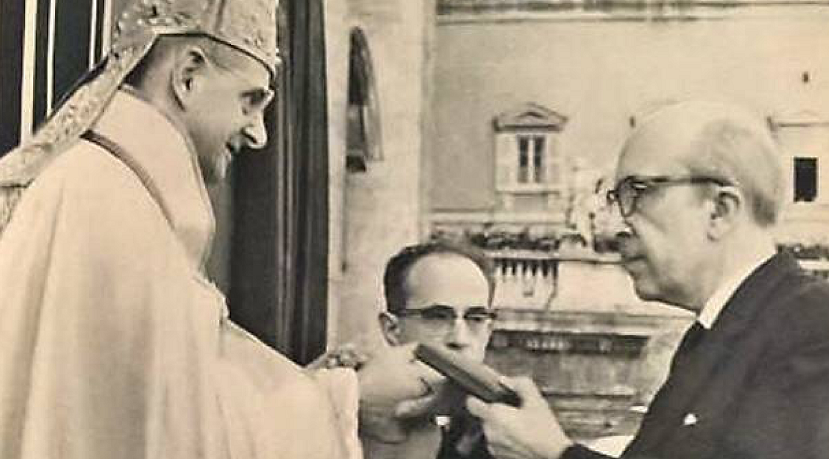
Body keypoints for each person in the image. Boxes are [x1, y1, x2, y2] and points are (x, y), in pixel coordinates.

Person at [0, 1, 436, 458]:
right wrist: (345, 401)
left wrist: (315, 387)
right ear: (188, 76)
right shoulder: (109, 203)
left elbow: (178, 405)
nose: (259, 134)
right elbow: (172, 437)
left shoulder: (112, 188)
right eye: (250, 100)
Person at [467, 101, 829, 459]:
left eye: (637, 193)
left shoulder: (813, 327)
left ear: (719, 211)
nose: (616, 225)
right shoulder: (728, 332)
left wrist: (552, 453)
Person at [379, 241, 498, 459]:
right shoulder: (346, 423)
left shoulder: (511, 440)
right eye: (438, 317)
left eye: (476, 318)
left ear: (489, 331)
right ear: (392, 329)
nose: (459, 339)